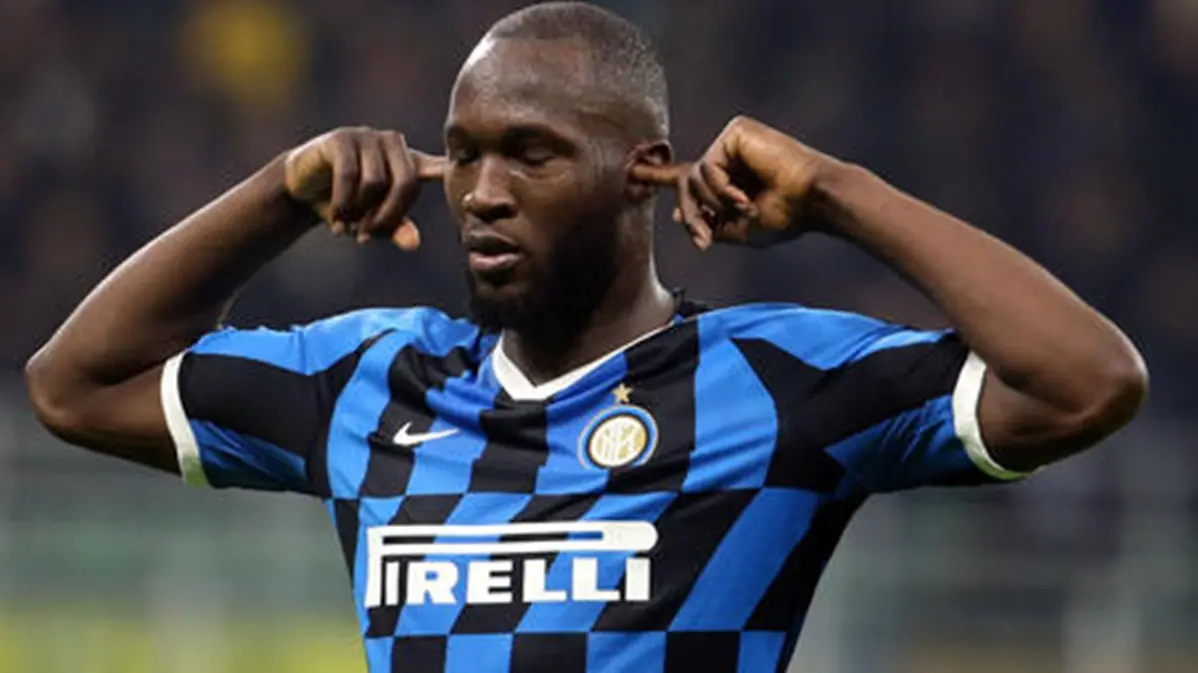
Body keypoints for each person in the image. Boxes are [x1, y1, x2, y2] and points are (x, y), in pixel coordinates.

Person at [24, 2, 1147, 672]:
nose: (483, 192)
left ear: (642, 174)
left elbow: (1085, 379)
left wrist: (841, 191)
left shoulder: (773, 385)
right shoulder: (372, 378)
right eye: (463, 153)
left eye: (533, 153)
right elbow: (76, 384)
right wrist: (278, 191)